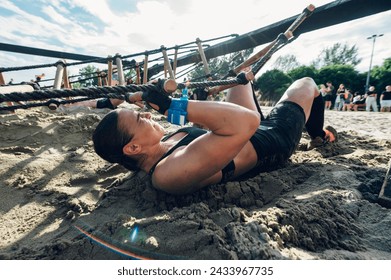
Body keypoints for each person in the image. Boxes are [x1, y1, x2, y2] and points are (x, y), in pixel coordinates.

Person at [92, 76, 337, 195]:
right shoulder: (166, 174)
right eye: (138, 119)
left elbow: (205, 129)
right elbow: (248, 122)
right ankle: (319, 135)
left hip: (243, 131)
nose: (146, 115)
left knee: (240, 79)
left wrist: (198, 100)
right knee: (306, 84)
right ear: (133, 148)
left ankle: (318, 134)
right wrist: (170, 107)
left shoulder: (165, 142)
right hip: (273, 140)